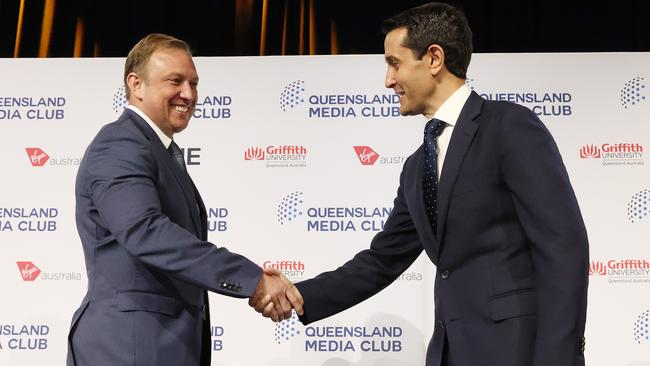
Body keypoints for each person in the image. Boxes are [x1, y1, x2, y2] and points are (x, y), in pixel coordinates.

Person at [257, 2, 589, 365]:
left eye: (394, 63)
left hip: (517, 351)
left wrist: (559, 356)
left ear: (434, 58)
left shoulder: (508, 127)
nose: (388, 81)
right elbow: (382, 260)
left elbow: (563, 247)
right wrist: (300, 294)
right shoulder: (417, 167)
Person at [66, 33, 303, 366]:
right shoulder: (120, 144)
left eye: (194, 83)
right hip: (130, 346)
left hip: (159, 343)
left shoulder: (153, 149)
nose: (189, 94)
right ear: (136, 84)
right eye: (174, 81)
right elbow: (145, 230)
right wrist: (252, 280)